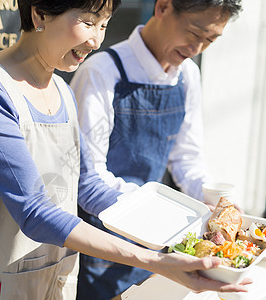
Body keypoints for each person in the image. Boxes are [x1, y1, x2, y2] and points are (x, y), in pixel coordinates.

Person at [0, 0, 251, 299]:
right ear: (39, 13)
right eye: (89, 22)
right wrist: (159, 259)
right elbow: (34, 211)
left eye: (104, 25)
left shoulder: (62, 90)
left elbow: (85, 184)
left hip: (46, 278)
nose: (97, 41)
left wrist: (193, 227)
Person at [70, 0, 243, 298]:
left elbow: (186, 157)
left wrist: (210, 200)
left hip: (158, 240)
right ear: (163, 7)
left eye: (210, 40)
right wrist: (166, 213)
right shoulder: (101, 72)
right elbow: (87, 181)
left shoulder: (187, 75)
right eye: (194, 32)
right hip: (99, 243)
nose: (197, 47)